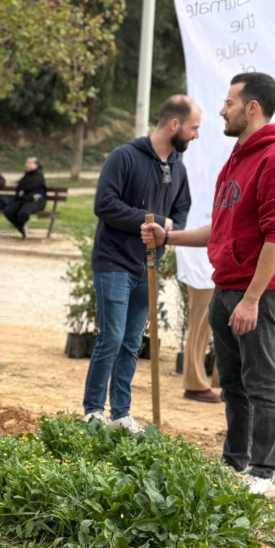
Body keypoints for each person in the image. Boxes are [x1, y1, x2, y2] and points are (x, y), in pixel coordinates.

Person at [142, 72, 275, 495]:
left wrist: (250, 301)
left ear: (252, 107)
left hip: (256, 294)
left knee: (263, 382)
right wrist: (169, 237)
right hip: (226, 287)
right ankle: (235, 463)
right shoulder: (240, 156)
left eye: (229, 103)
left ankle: (263, 474)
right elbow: (222, 228)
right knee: (231, 382)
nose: (220, 110)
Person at [83, 95, 199, 433]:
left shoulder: (177, 166)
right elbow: (104, 204)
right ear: (174, 125)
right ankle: (93, 411)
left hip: (146, 267)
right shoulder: (125, 157)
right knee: (113, 336)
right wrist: (151, 221)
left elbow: (180, 212)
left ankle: (120, 414)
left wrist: (167, 226)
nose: (196, 135)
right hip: (114, 262)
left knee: (133, 341)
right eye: (194, 128)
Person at [3, 157, 47, 239]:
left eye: (30, 163)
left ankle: (22, 227)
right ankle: (21, 227)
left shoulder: (39, 175)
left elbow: (26, 185)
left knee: (23, 213)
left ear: (36, 165)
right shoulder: (27, 174)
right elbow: (21, 185)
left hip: (36, 201)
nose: (27, 165)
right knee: (8, 211)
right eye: (27, 163)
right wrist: (20, 185)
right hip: (23, 200)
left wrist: (19, 185)